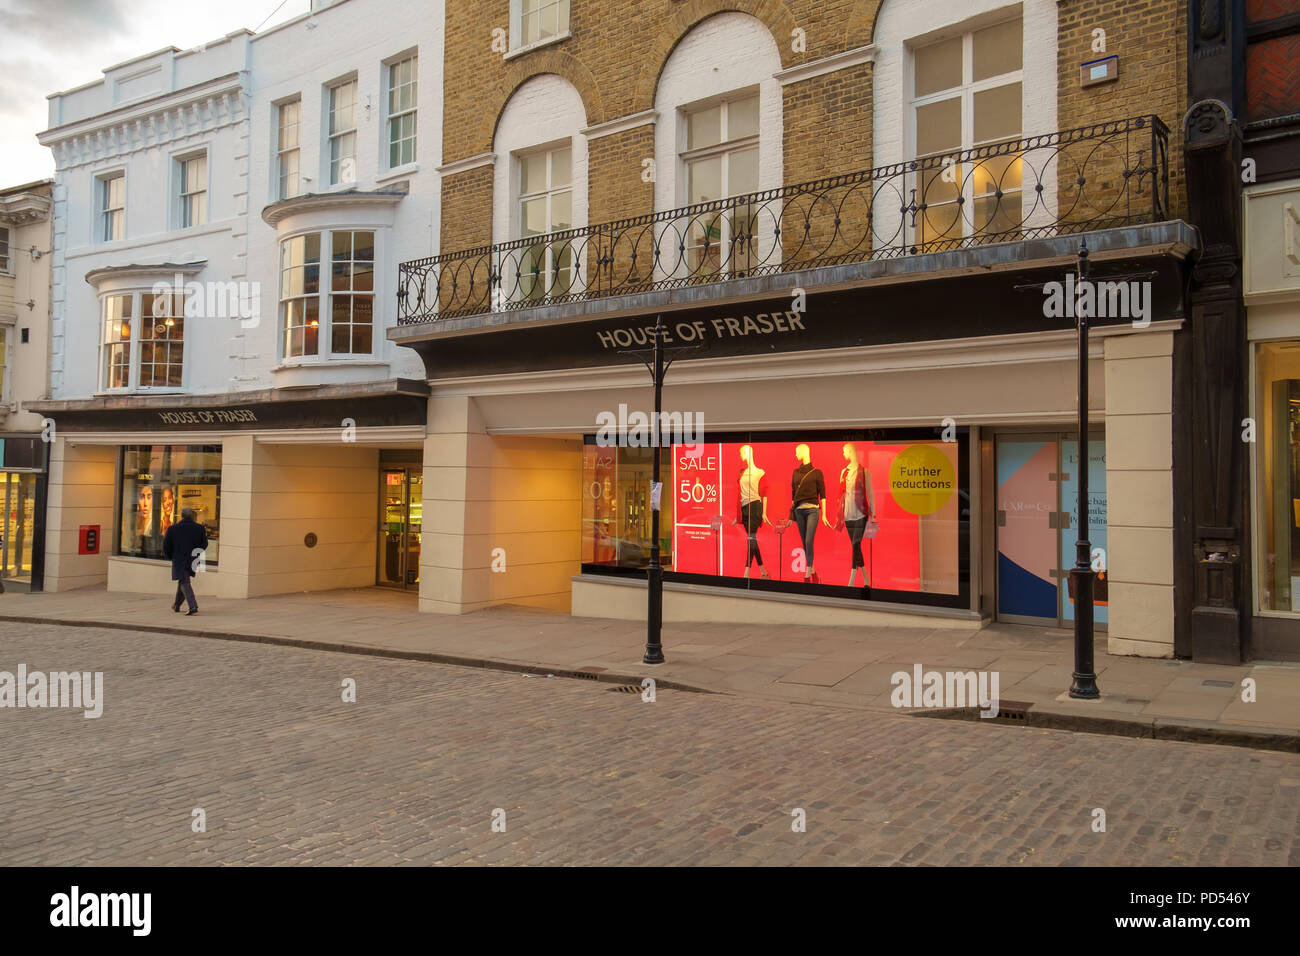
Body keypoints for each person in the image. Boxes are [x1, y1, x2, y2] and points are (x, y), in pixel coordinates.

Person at [837, 443, 877, 586]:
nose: (843, 454)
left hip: (861, 513)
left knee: (855, 544)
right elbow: (842, 494)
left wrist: (873, 515)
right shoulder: (844, 472)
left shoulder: (865, 472)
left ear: (849, 451)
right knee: (856, 547)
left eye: (844, 452)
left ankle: (851, 581)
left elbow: (870, 493)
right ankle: (866, 579)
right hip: (848, 513)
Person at [162, 507, 208, 615]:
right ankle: (176, 605)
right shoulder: (199, 528)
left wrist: (170, 556)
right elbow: (204, 544)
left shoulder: (173, 529)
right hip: (193, 558)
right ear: (192, 516)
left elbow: (166, 545)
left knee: (184, 581)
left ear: (181, 516)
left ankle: (193, 606)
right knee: (183, 580)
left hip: (179, 559)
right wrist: (196, 553)